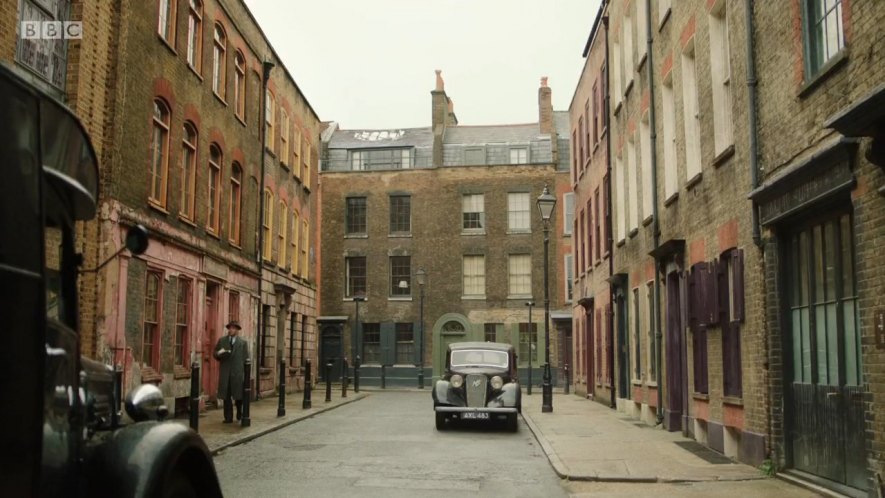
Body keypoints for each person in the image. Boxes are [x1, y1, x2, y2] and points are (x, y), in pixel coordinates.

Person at [214, 320, 249, 423]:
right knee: (226, 396)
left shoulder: (243, 343)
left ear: (237, 330)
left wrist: (245, 374)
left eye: (233, 328)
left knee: (238, 395)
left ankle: (239, 413)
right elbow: (215, 353)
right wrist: (219, 353)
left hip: (237, 373)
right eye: (230, 328)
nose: (231, 330)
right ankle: (228, 417)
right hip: (225, 372)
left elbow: (246, 359)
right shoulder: (222, 341)